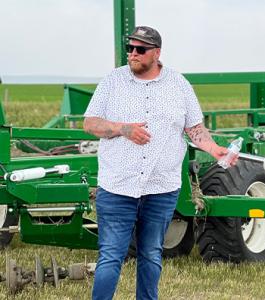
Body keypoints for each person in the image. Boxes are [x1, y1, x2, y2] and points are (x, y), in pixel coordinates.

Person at [83, 25, 235, 300]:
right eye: (130, 48)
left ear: (156, 53)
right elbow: (90, 123)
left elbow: (194, 129)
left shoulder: (179, 85)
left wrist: (214, 149)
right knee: (111, 256)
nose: (132, 54)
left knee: (151, 254)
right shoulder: (112, 82)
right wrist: (123, 129)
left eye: (140, 49)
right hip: (117, 186)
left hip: (161, 188)